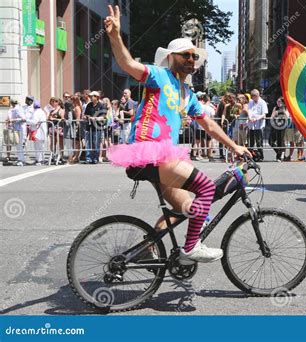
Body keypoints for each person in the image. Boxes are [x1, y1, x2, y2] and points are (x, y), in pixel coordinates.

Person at [104, 5, 250, 265]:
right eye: (185, 55)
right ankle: (191, 247)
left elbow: (209, 125)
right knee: (206, 188)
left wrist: (234, 146)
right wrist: (115, 35)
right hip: (151, 151)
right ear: (171, 57)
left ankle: (143, 252)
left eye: (194, 56)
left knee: (189, 209)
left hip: (164, 159)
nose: (191, 60)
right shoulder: (158, 76)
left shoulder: (189, 95)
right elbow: (126, 63)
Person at [83, 91, 105, 164]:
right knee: (88, 143)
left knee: (96, 143)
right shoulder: (89, 105)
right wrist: (86, 117)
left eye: (92, 96)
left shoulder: (101, 105)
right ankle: (88, 158)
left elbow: (103, 116)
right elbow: (85, 114)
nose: (91, 97)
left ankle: (95, 158)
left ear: (97, 97)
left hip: (97, 127)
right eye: (90, 96)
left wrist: (95, 118)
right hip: (89, 127)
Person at [248, 89, 267, 161]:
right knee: (251, 141)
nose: (253, 98)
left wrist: (257, 118)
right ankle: (251, 156)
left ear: (257, 96)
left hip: (259, 125)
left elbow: (264, 114)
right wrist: (249, 117)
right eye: (252, 97)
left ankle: (261, 156)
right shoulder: (251, 102)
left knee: (259, 141)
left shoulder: (262, 102)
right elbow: (249, 110)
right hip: (251, 124)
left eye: (254, 97)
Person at [26, 101, 47, 165]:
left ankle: (39, 160)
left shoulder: (36, 112)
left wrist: (26, 121)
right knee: (41, 146)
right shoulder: (42, 112)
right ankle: (42, 159)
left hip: (37, 131)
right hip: (41, 131)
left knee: (37, 146)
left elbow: (34, 122)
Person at [270, 96, 289, 162]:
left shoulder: (285, 108)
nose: (278, 103)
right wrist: (275, 114)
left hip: (283, 126)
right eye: (277, 101)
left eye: (279, 101)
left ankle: (280, 156)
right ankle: (280, 152)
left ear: (283, 102)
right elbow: (271, 117)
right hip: (275, 126)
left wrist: (281, 111)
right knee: (271, 141)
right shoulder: (275, 108)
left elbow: (287, 116)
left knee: (280, 141)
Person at [8, 99, 26, 166]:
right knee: (18, 145)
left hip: (19, 129)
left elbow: (23, 119)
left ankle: (21, 160)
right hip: (16, 128)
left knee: (19, 145)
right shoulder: (14, 109)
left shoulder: (18, 109)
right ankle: (20, 159)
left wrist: (13, 120)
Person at [47, 97, 65, 163]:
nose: (51, 103)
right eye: (51, 102)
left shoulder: (61, 110)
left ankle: (61, 156)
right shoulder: (51, 111)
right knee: (52, 142)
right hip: (52, 128)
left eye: (52, 102)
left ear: (57, 102)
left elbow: (63, 119)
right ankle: (53, 155)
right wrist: (49, 118)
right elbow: (48, 118)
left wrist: (54, 119)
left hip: (59, 128)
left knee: (60, 142)